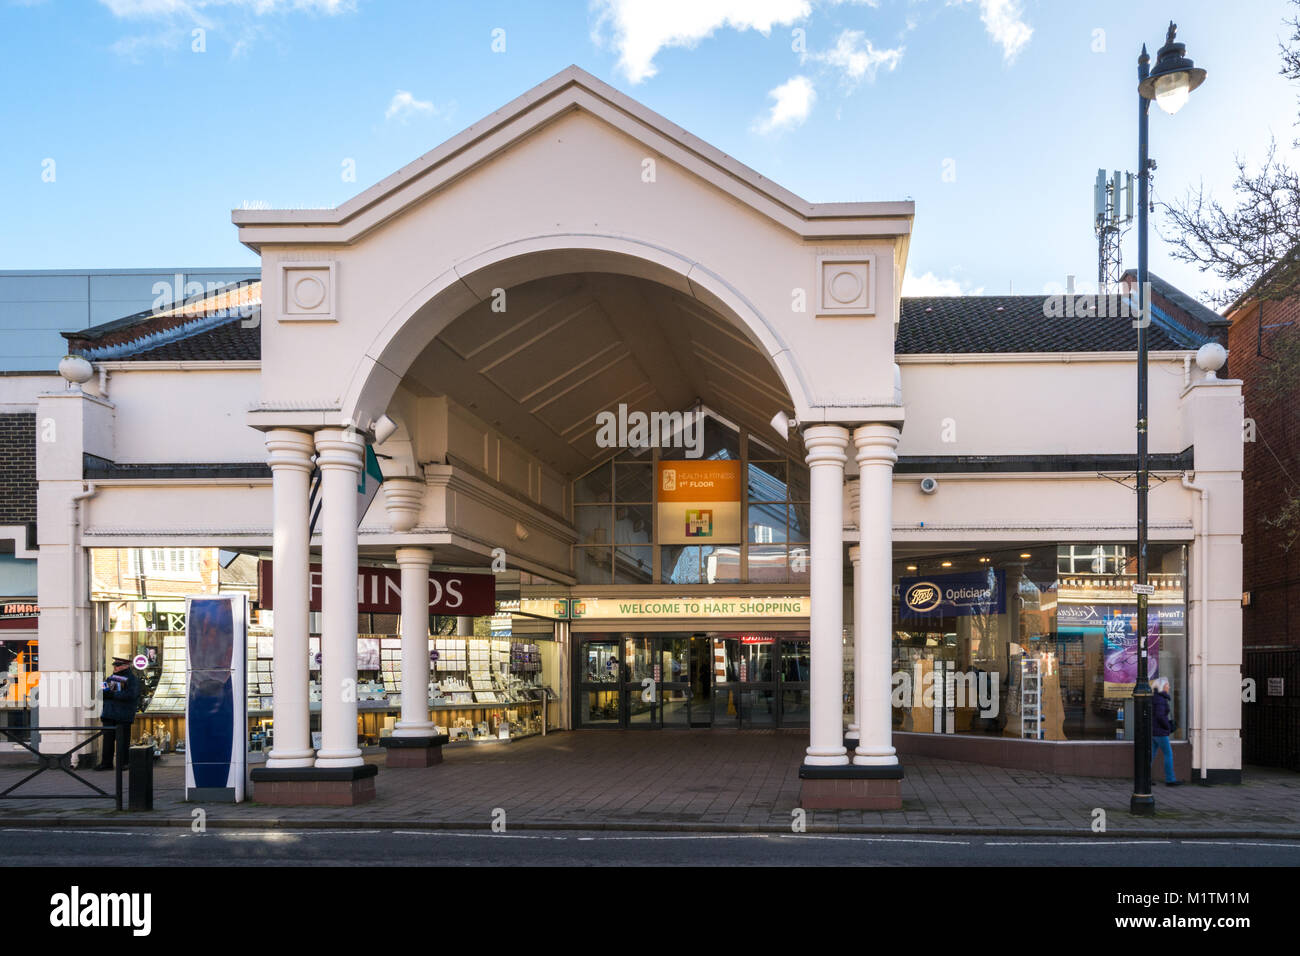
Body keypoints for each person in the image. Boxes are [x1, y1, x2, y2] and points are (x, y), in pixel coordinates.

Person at [96, 657, 140, 771]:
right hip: (109, 714)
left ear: (126, 666)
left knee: (123, 742)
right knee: (107, 742)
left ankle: (124, 763)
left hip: (123, 715)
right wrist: (110, 693)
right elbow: (101, 693)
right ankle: (106, 763)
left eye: (118, 665)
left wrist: (113, 694)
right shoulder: (110, 678)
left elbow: (131, 695)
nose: (115, 667)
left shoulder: (132, 679)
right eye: (114, 665)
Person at [1151, 676, 1181, 786]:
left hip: (1154, 731)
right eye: (1167, 685)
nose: (1169, 686)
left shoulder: (1155, 697)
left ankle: (1144, 778)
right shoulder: (1160, 699)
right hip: (1160, 732)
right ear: (1162, 686)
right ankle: (1170, 779)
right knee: (1168, 754)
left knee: (1151, 755)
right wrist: (1167, 727)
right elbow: (1160, 716)